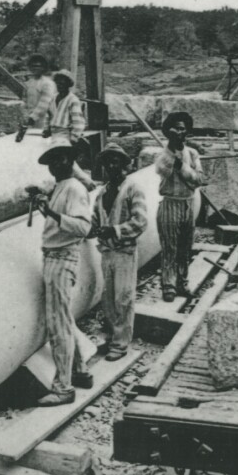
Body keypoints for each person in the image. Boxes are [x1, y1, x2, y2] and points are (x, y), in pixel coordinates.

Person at [30, 138, 94, 406]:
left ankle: (63, 388)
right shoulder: (62, 186)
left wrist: (52, 215)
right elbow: (61, 222)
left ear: (71, 160)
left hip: (61, 258)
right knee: (65, 319)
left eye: (61, 159)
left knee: (58, 323)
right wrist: (46, 206)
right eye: (52, 161)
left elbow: (82, 228)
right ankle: (81, 371)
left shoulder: (74, 188)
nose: (55, 165)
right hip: (55, 256)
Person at [89, 143, 148, 360]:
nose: (111, 166)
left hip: (124, 252)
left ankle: (121, 343)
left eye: (116, 161)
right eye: (107, 162)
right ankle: (113, 336)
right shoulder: (101, 193)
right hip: (107, 252)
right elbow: (94, 222)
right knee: (108, 298)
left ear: (124, 165)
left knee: (124, 296)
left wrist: (114, 230)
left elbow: (141, 222)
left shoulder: (132, 189)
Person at [18, 69, 96, 191]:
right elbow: (49, 115)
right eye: (58, 82)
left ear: (68, 84)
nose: (60, 85)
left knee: (68, 165)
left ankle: (89, 185)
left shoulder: (72, 100)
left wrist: (74, 138)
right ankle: (68, 186)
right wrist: (46, 129)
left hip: (65, 134)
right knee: (60, 164)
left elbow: (79, 121)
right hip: (55, 134)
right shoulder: (54, 98)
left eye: (63, 82)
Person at [155, 111, 205, 302]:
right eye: (175, 128)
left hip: (188, 203)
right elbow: (163, 171)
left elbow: (198, 180)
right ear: (168, 131)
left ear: (187, 131)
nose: (179, 132)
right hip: (170, 204)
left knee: (185, 246)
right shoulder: (162, 155)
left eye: (182, 129)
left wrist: (183, 167)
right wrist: (172, 156)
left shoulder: (192, 154)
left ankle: (182, 282)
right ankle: (168, 285)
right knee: (169, 247)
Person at [20, 54, 56, 130]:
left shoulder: (47, 83)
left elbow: (44, 103)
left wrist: (33, 117)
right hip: (29, 118)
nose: (35, 68)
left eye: (38, 66)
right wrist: (25, 115)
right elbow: (24, 100)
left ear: (43, 68)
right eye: (33, 66)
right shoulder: (28, 83)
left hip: (43, 118)